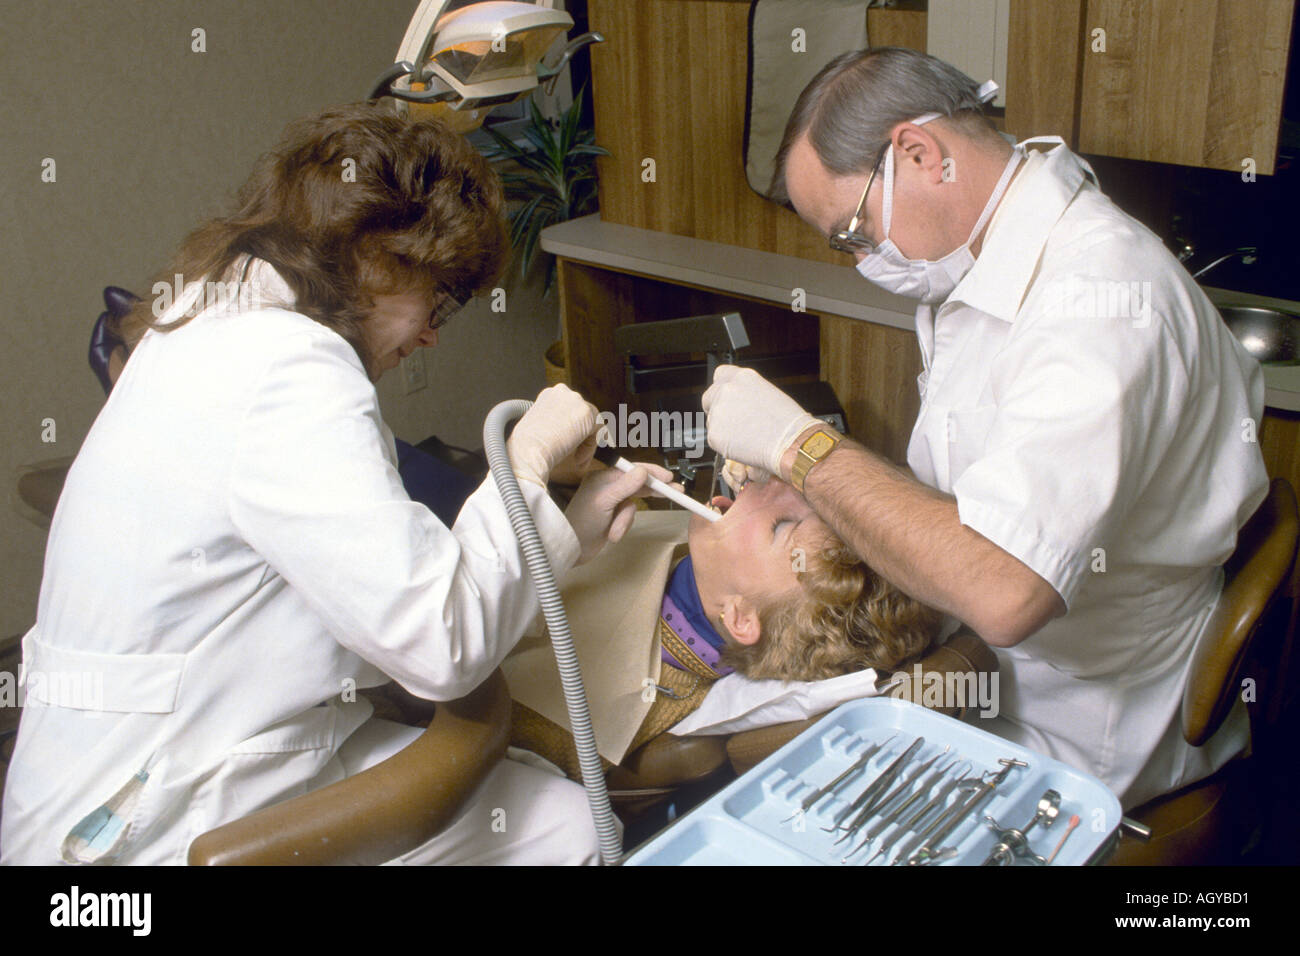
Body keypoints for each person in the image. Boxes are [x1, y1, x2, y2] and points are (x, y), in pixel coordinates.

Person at [1, 102, 670, 865]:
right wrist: (525, 462)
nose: (430, 335)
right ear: (377, 254)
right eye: (438, 297)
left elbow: (383, 579)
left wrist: (570, 530)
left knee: (545, 812)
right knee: (565, 827)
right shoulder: (285, 370)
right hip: (140, 823)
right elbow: (439, 644)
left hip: (184, 751)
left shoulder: (216, 316)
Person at [701, 48, 1269, 811]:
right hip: (1010, 667)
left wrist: (801, 450)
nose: (865, 259)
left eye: (854, 231)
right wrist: (811, 485)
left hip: (1085, 722)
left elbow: (1006, 591)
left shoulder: (1097, 301)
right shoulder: (983, 266)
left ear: (918, 152)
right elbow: (968, 498)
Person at [504, 475, 942, 776]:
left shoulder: (588, 715)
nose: (778, 485)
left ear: (739, 617)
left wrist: (528, 486)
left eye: (781, 524)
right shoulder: (697, 561)